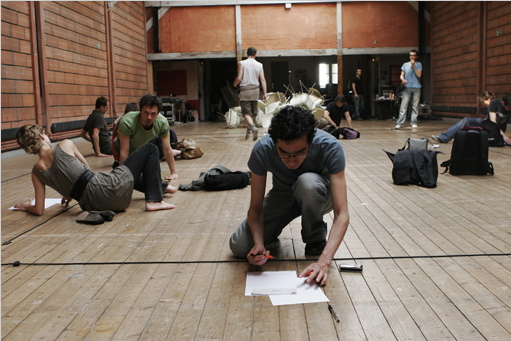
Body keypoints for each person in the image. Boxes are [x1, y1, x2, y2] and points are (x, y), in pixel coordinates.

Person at [229, 106, 350, 286]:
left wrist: (324, 262)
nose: (291, 160)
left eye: (299, 152)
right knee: (239, 246)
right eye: (283, 153)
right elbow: (255, 209)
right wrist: (258, 243)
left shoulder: (329, 146)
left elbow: (342, 214)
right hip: (283, 194)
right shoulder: (262, 149)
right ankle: (269, 238)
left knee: (307, 183)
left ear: (311, 140)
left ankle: (314, 237)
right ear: (274, 142)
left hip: (319, 194)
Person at [13, 124, 176, 216]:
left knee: (122, 173)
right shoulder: (65, 144)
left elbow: (39, 210)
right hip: (111, 190)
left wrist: (27, 207)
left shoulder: (36, 172)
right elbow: (85, 169)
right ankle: (154, 200)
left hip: (93, 204)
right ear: (42, 137)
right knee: (151, 149)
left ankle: (161, 187)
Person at [115, 94, 179, 180]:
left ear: (158, 113)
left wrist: (173, 172)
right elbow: (124, 151)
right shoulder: (128, 122)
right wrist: (121, 175)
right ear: (140, 111)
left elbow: (167, 149)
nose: (149, 117)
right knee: (129, 176)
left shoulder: (162, 122)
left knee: (156, 171)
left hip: (141, 148)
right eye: (146, 113)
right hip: (125, 148)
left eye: (153, 114)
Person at [431, 91, 497, 143]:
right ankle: (446, 136)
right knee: (467, 128)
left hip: (489, 126)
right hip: (486, 123)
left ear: (489, 99)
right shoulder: (492, 106)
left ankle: (444, 137)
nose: (483, 104)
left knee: (466, 121)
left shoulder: (494, 105)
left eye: (483, 102)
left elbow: (494, 122)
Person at [233, 46, 268, 141]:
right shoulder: (259, 65)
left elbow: (239, 78)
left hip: (245, 90)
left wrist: (234, 85)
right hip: (256, 90)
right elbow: (263, 80)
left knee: (245, 112)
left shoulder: (242, 63)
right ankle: (249, 130)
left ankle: (252, 126)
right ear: (255, 54)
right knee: (252, 112)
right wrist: (265, 93)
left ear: (246, 54)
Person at [395, 49, 422, 129]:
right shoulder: (405, 65)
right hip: (407, 88)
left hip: (416, 88)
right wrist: (402, 79)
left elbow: (419, 75)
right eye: (411, 55)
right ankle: (400, 123)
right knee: (403, 106)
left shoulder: (419, 64)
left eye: (414, 55)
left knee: (415, 107)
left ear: (416, 56)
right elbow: (401, 75)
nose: (412, 57)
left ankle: (413, 122)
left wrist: (414, 66)